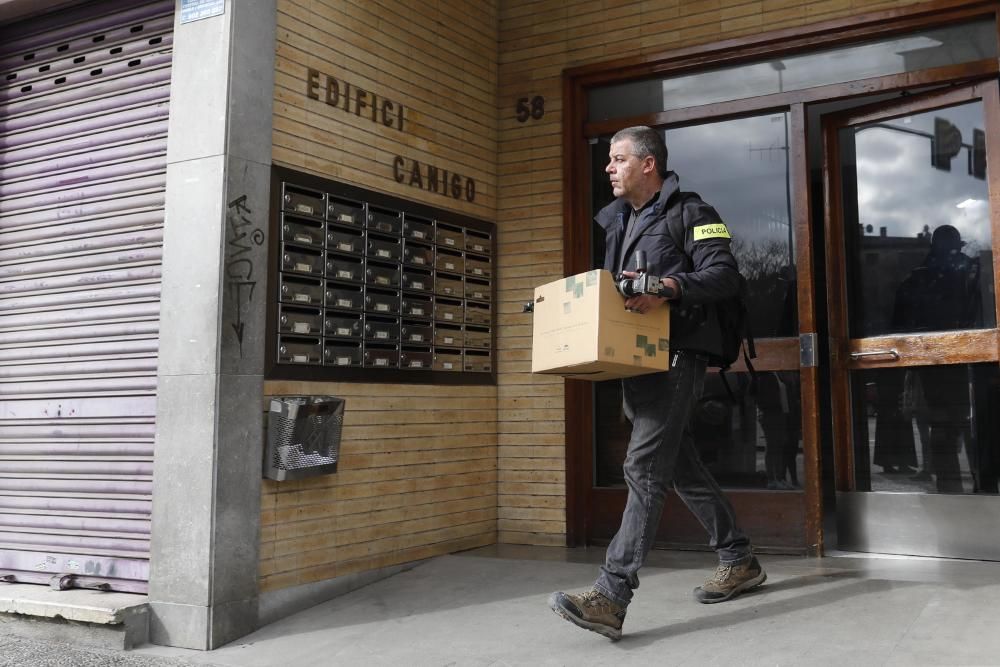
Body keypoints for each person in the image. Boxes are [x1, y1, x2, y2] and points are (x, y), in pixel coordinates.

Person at [548, 126, 765, 641]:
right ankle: (740, 559)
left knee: (643, 467)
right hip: (638, 363)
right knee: (681, 467)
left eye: (617, 159)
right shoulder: (619, 222)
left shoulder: (695, 213)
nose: (608, 168)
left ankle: (611, 594)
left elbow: (725, 275)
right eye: (609, 160)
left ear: (649, 165)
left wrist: (669, 287)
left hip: (678, 357)